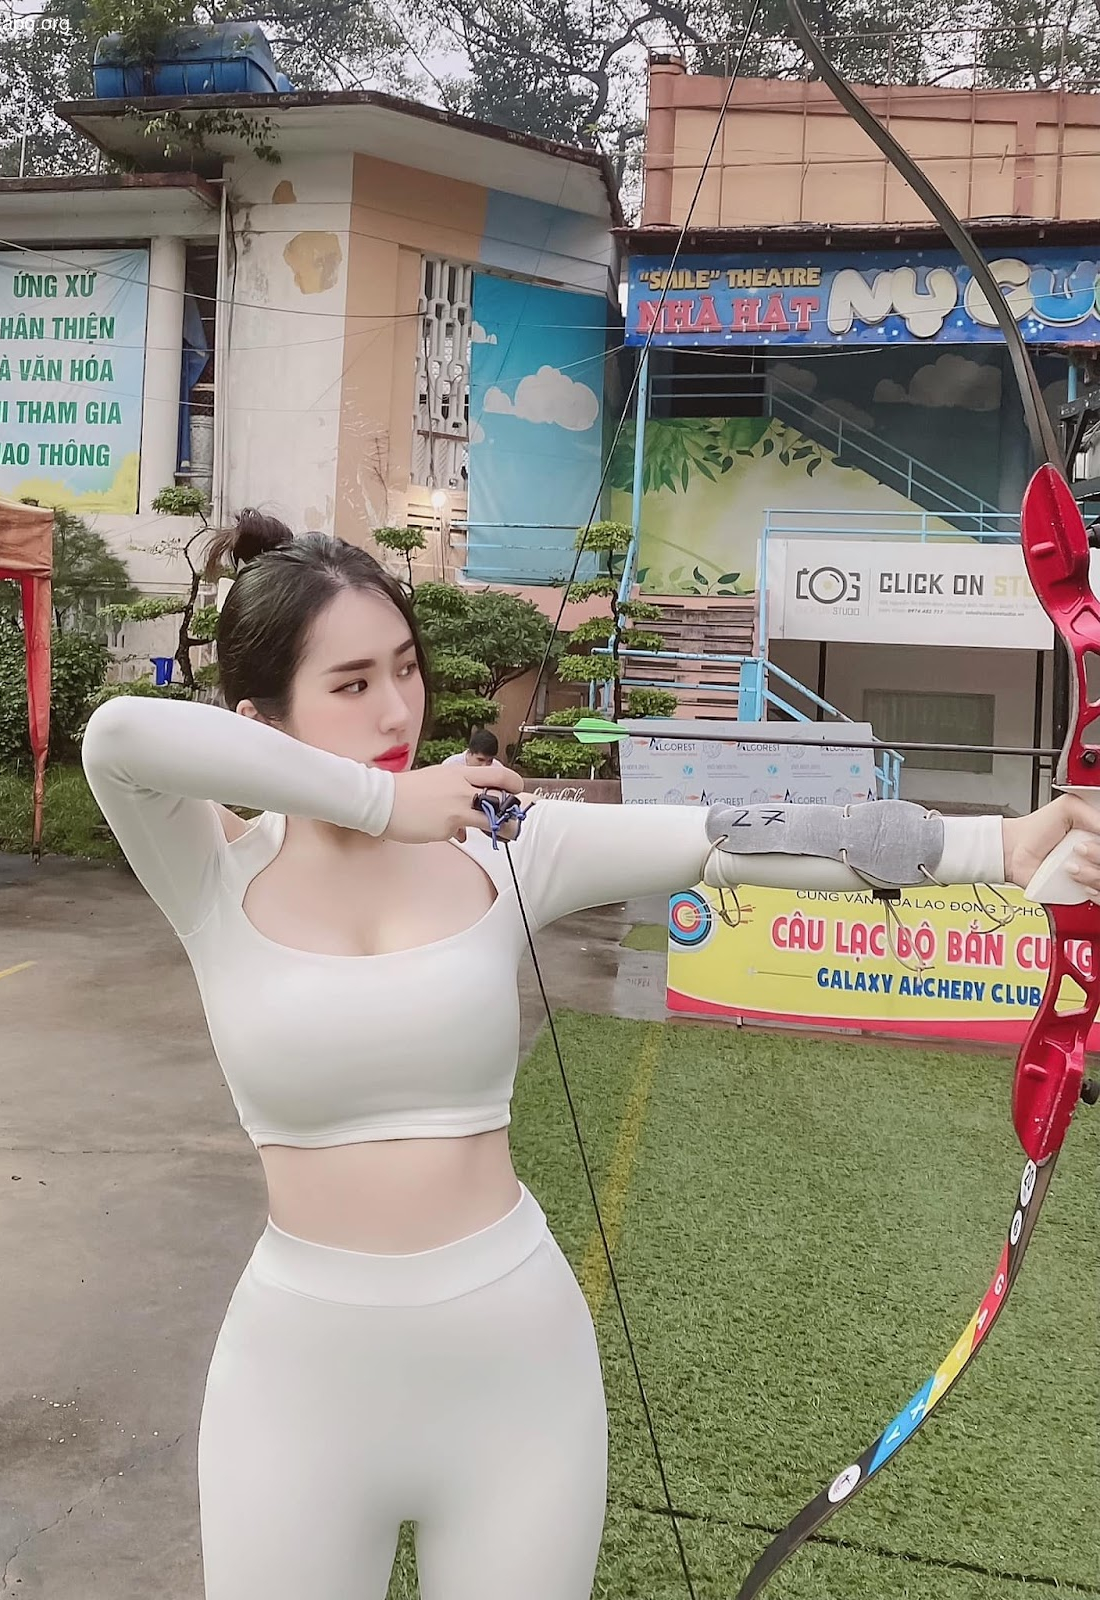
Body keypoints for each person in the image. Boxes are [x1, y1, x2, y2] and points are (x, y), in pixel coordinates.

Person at [80, 511, 1100, 1600]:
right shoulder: (212, 869)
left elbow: (733, 834)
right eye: (350, 682)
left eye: (408, 668)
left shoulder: (504, 840)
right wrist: (383, 801)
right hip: (296, 1380)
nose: (396, 708)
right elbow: (119, 738)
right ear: (258, 716)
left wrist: (1005, 844)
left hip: (516, 1370)